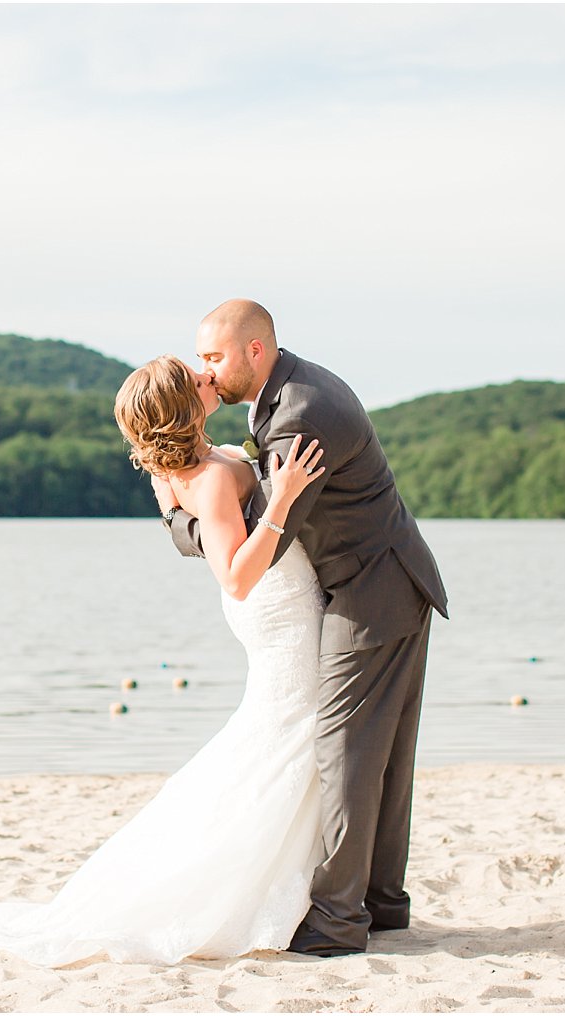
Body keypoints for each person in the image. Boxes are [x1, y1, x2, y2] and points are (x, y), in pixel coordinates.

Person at [0, 354, 329, 966]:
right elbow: (235, 576)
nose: (206, 376)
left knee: (288, 737)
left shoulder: (176, 472)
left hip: (279, 606)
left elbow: (179, 514)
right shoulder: (210, 477)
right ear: (181, 410)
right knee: (294, 737)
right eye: (194, 379)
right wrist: (283, 498)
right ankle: (262, 887)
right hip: (276, 609)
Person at [159, 299, 449, 957]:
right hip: (378, 581)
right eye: (201, 359)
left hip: (372, 590)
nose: (207, 370)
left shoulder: (298, 416)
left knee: (346, 751)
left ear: (254, 351)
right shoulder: (283, 397)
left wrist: (180, 522)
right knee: (380, 752)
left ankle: (340, 921)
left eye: (214, 357)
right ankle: (381, 905)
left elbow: (262, 532)